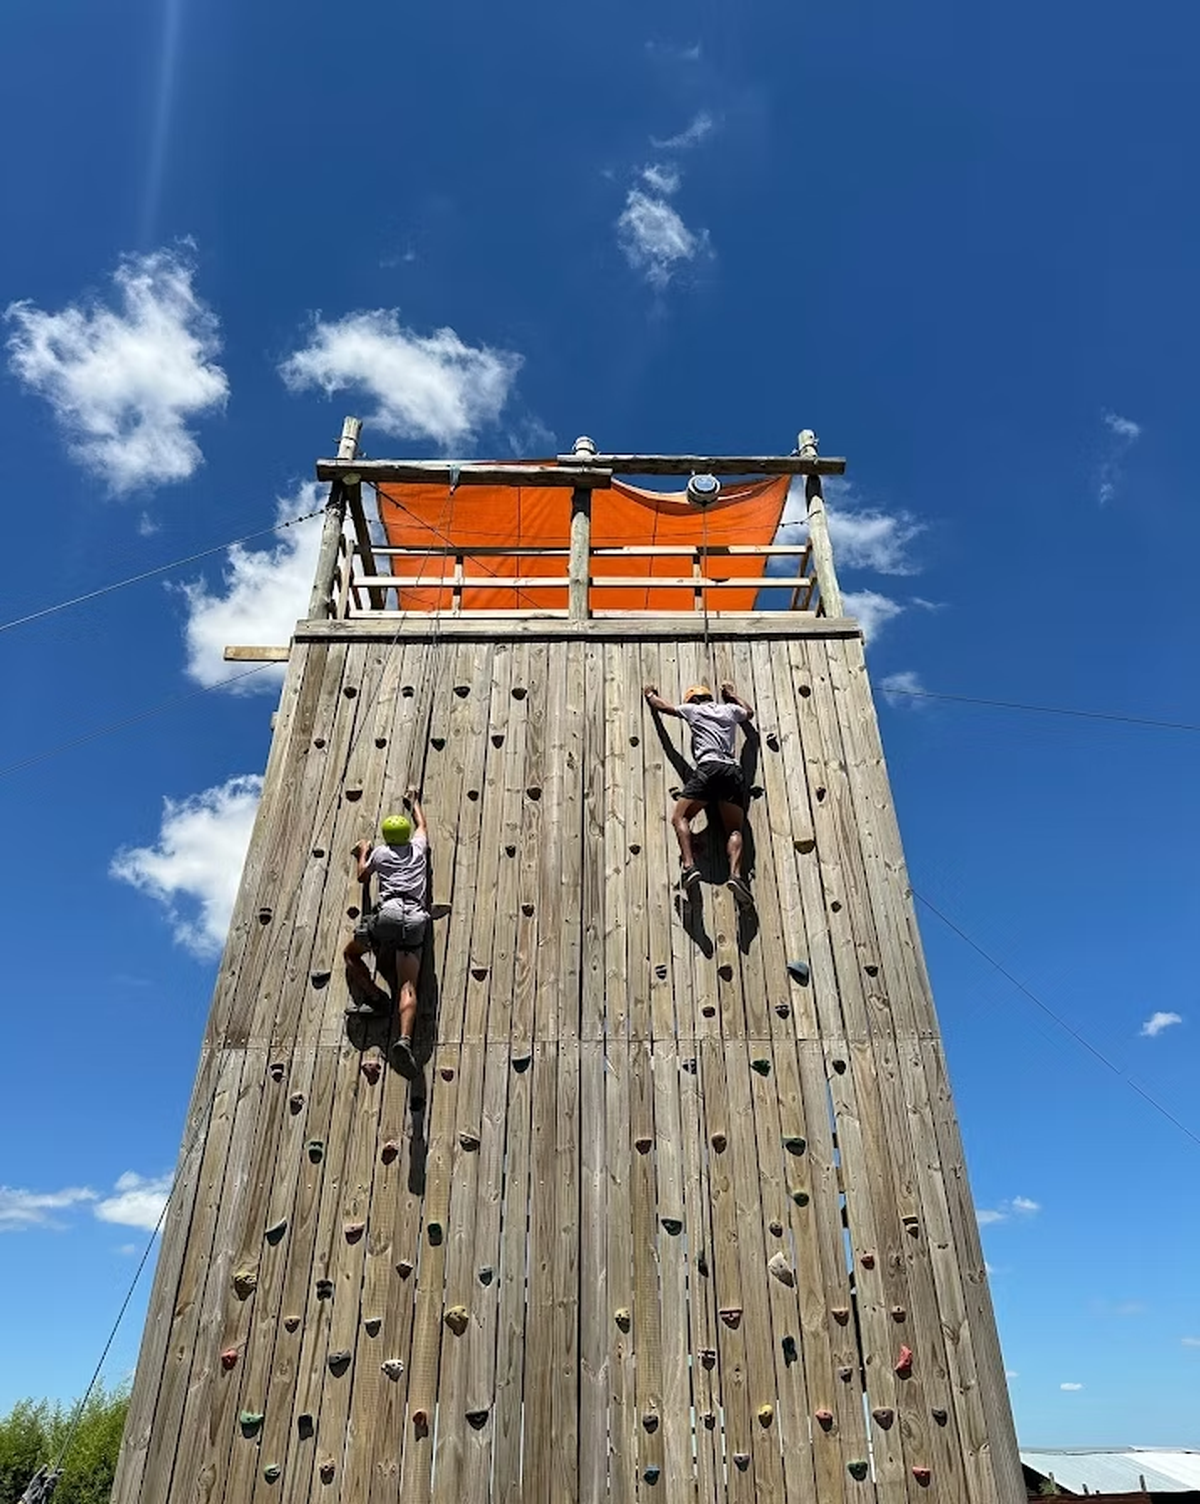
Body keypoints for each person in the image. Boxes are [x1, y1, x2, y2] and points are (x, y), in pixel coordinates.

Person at [643, 680, 755, 907]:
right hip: (732, 771)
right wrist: (731, 695)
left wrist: (650, 695)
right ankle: (736, 876)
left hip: (708, 768)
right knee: (734, 829)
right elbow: (749, 713)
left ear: (693, 699)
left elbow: (664, 707)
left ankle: (689, 866)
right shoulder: (729, 710)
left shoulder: (693, 710)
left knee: (680, 818)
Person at [343, 787, 429, 1077]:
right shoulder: (418, 849)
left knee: (351, 955)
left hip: (389, 913)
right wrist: (414, 803)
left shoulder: (380, 853)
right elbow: (422, 826)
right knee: (408, 985)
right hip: (415, 917)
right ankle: (404, 1039)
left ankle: (376, 998)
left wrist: (363, 852)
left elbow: (362, 876)